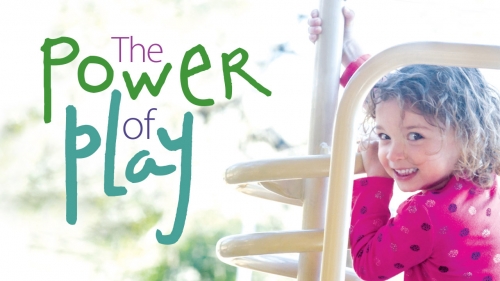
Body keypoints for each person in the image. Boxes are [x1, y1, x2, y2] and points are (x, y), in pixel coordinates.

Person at [309, 7, 500, 281]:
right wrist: (347, 49)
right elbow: (391, 106)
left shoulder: (426, 213)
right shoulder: (488, 181)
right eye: (384, 136)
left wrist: (376, 180)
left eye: (415, 136)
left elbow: (368, 264)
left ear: (467, 134)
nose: (393, 154)